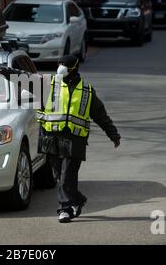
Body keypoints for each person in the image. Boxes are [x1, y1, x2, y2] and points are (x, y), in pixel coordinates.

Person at [37, 55, 121, 223]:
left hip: (75, 140)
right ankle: (78, 200)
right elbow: (24, 81)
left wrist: (113, 134)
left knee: (67, 176)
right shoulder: (49, 84)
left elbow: (100, 115)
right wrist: (5, 73)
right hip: (52, 138)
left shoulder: (87, 91)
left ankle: (65, 209)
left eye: (64, 65)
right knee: (59, 176)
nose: (60, 67)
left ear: (73, 68)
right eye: (59, 64)